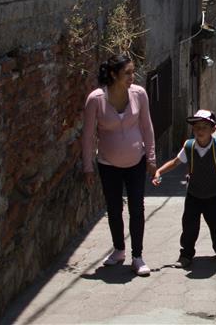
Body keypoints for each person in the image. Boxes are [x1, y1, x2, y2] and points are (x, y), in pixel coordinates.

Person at [82, 54, 157, 276]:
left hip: (136, 161)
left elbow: (147, 127)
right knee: (114, 208)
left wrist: (151, 159)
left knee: (137, 208)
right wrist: (88, 167)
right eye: (127, 73)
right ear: (113, 74)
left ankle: (137, 256)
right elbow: (87, 137)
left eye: (133, 72)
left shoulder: (139, 94)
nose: (132, 77)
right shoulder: (96, 100)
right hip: (108, 163)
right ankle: (119, 250)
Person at [153, 109, 216, 268]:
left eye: (204, 127)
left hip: (214, 194)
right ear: (193, 129)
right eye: (197, 127)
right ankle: (186, 254)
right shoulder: (189, 146)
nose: (200, 130)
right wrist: (159, 171)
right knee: (189, 225)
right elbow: (175, 162)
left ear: (213, 130)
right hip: (194, 194)